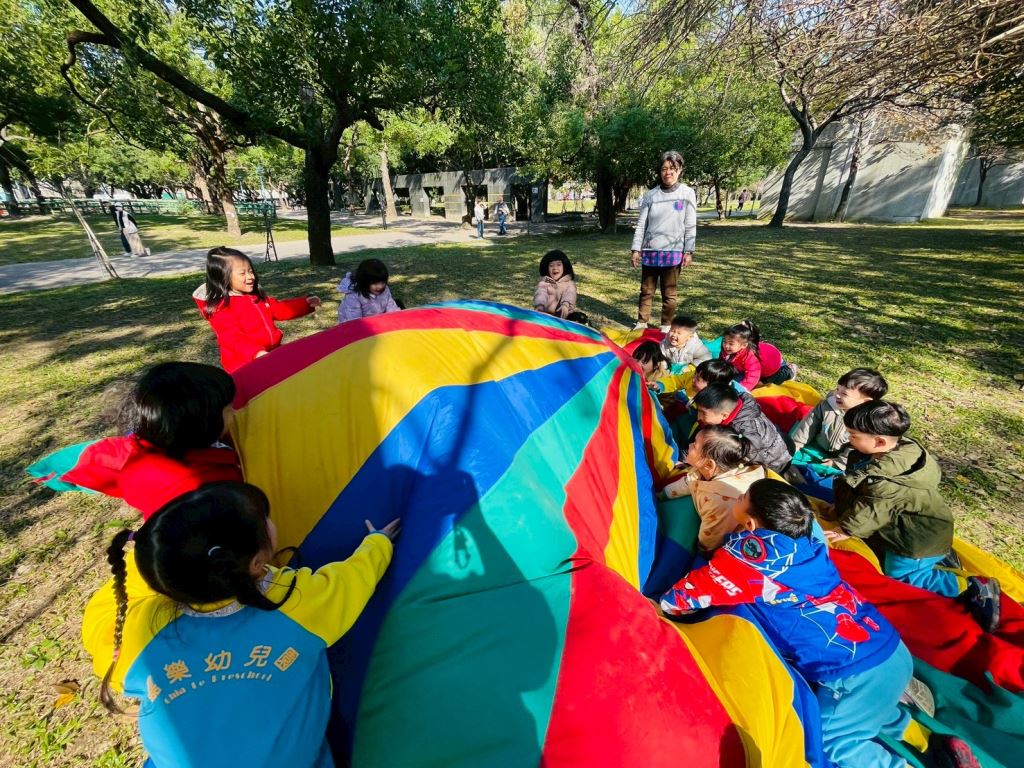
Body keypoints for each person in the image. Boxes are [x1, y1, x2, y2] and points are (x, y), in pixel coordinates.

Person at [83, 481, 399, 768]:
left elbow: (99, 617)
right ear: (257, 563)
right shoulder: (295, 600)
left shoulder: (141, 629)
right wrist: (378, 544)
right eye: (264, 520)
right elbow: (351, 581)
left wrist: (158, 557)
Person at [659, 479, 937, 768]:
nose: (737, 496)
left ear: (751, 524)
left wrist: (663, 605)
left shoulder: (751, 558)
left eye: (742, 497)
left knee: (833, 743)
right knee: (869, 708)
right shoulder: (810, 542)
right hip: (889, 645)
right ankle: (921, 737)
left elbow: (697, 590)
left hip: (855, 672)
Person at [827, 401, 1000, 631]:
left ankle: (970, 585)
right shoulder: (890, 454)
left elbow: (872, 510)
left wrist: (846, 528)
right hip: (908, 524)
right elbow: (860, 491)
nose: (849, 438)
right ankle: (937, 561)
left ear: (880, 441)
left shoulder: (887, 481)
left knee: (904, 577)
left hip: (917, 538)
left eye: (853, 435)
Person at [26, 362, 241, 518]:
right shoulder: (201, 482)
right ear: (201, 424)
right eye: (228, 409)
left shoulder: (148, 445)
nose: (235, 412)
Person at [197, 247, 320, 373]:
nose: (251, 277)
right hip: (244, 364)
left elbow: (279, 309)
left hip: (269, 354)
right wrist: (257, 353)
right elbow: (232, 338)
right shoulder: (221, 308)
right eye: (242, 273)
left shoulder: (255, 297)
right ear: (223, 277)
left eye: (251, 271)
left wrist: (305, 303)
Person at [661, 425, 766, 551]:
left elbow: (712, 538)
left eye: (694, 445)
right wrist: (662, 494)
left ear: (709, 464)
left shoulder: (720, 502)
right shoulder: (717, 466)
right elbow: (690, 482)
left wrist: (702, 550)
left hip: (724, 535)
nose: (690, 445)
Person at [630, 150, 697, 333]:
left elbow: (690, 224)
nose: (668, 172)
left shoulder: (687, 193)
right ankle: (642, 322)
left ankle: (666, 325)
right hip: (650, 252)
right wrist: (636, 249)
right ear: (660, 171)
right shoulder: (651, 195)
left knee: (669, 293)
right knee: (646, 290)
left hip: (673, 253)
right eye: (664, 168)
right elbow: (641, 224)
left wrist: (688, 251)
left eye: (672, 168)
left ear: (680, 170)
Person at [791, 368, 888, 472]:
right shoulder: (827, 405)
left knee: (832, 473)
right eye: (837, 389)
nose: (836, 394)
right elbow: (807, 426)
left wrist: (838, 463)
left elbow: (857, 447)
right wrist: (794, 445)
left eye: (844, 394)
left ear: (865, 402)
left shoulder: (868, 422)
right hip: (816, 447)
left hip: (843, 458)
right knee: (789, 457)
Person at [692, 383, 792, 473]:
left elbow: (754, 465)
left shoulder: (745, 435)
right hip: (772, 442)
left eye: (703, 413)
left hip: (775, 462)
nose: (698, 417)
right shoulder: (732, 403)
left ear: (724, 415)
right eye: (698, 411)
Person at [338, 258, 401, 322]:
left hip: (376, 320)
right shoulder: (353, 296)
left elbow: (392, 309)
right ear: (364, 281)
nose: (380, 286)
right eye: (375, 283)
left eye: (383, 282)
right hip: (356, 325)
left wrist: (397, 319)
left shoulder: (385, 290)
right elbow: (354, 321)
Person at [533, 249, 578, 319]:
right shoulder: (544, 283)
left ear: (564, 267)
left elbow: (570, 295)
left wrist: (565, 305)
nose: (555, 268)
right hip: (545, 317)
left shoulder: (569, 284)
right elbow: (541, 294)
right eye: (551, 265)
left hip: (563, 318)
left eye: (559, 265)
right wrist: (540, 306)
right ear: (547, 268)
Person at [720, 320, 763, 391]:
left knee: (733, 385)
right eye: (724, 342)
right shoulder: (726, 351)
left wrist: (740, 390)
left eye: (731, 344)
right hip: (739, 369)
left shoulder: (750, 357)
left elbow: (753, 376)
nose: (726, 346)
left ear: (744, 345)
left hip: (772, 371)